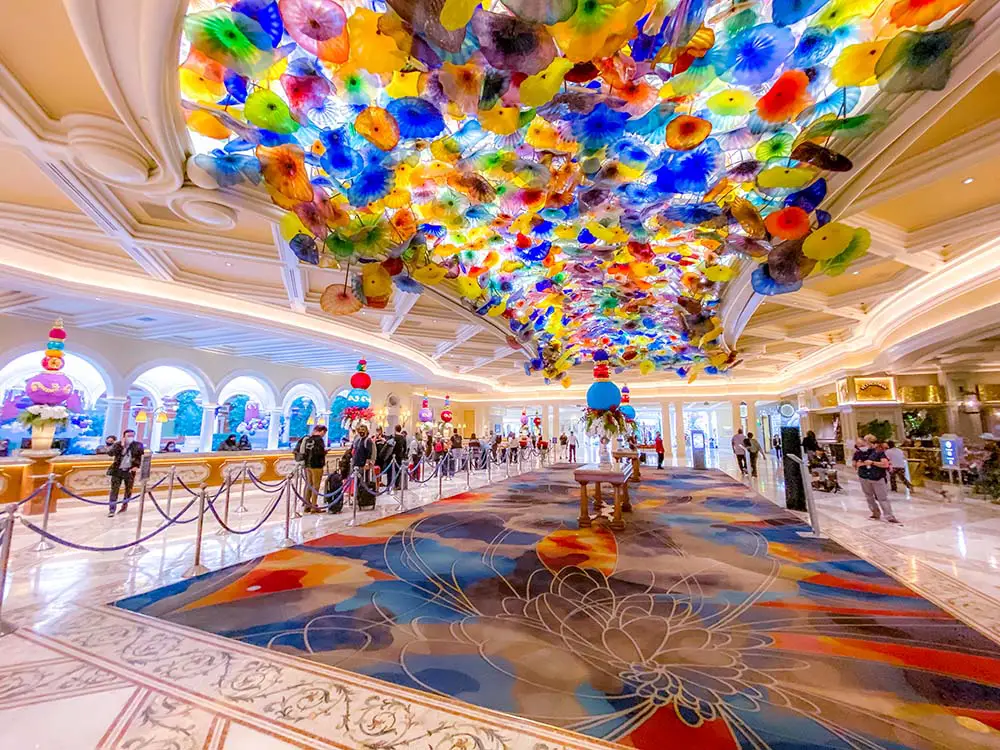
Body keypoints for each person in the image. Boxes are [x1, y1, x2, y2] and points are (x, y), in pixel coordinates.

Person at [853, 434, 898, 523]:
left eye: (863, 444)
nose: (862, 446)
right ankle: (875, 512)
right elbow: (855, 464)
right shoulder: (858, 453)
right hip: (864, 477)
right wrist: (862, 464)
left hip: (877, 477)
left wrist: (872, 463)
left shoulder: (879, 452)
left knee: (882, 497)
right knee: (869, 496)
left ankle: (889, 516)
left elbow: (885, 464)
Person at [106, 429, 144, 517]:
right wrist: (122, 446)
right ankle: (112, 509)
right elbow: (110, 453)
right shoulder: (118, 444)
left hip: (129, 471)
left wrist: (136, 466)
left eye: (132, 436)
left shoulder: (138, 445)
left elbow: (140, 457)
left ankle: (124, 506)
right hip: (117, 470)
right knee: (114, 490)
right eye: (128, 436)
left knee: (128, 490)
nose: (130, 437)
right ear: (124, 436)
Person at [294, 424, 328, 512]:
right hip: (316, 465)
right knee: (316, 485)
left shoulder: (308, 439)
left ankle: (306, 505)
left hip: (307, 465)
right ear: (322, 431)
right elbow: (319, 453)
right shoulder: (319, 440)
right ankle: (314, 506)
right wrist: (325, 452)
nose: (324, 435)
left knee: (309, 484)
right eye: (324, 433)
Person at [352, 425, 377, 509]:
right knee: (357, 483)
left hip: (363, 465)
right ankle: (357, 498)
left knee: (363, 483)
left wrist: (367, 463)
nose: (361, 431)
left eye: (363, 430)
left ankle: (364, 499)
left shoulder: (368, 441)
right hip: (357, 465)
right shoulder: (359, 440)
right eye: (360, 429)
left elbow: (369, 453)